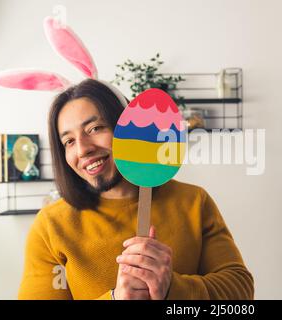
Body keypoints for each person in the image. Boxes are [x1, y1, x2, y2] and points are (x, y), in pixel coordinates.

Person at [18, 79, 254, 300]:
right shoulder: (50, 226)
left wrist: (171, 288)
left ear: (127, 127)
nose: (82, 150)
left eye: (95, 128)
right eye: (69, 141)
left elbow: (240, 291)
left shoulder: (194, 201)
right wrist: (115, 298)